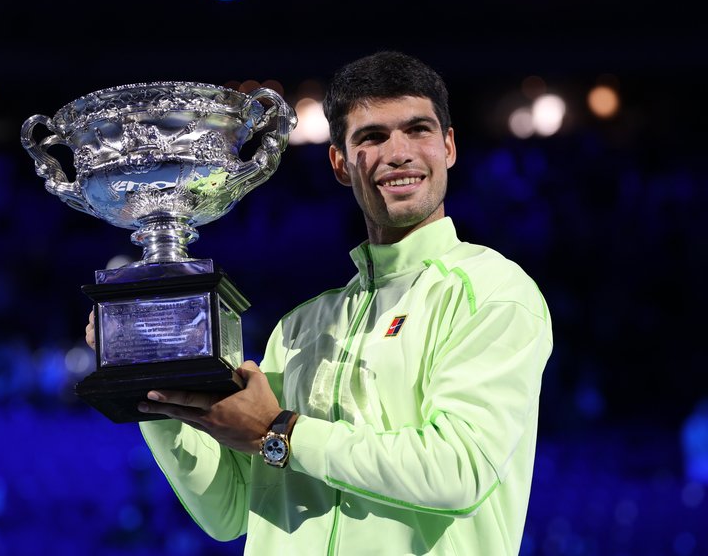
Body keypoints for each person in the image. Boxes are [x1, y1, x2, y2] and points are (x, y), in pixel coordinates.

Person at [85, 50, 553, 555]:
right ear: (340, 164)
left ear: (448, 147)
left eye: (418, 130)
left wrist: (280, 430)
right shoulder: (299, 327)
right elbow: (228, 511)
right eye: (372, 137)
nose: (399, 153)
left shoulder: (492, 291)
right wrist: (154, 384)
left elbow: (458, 471)